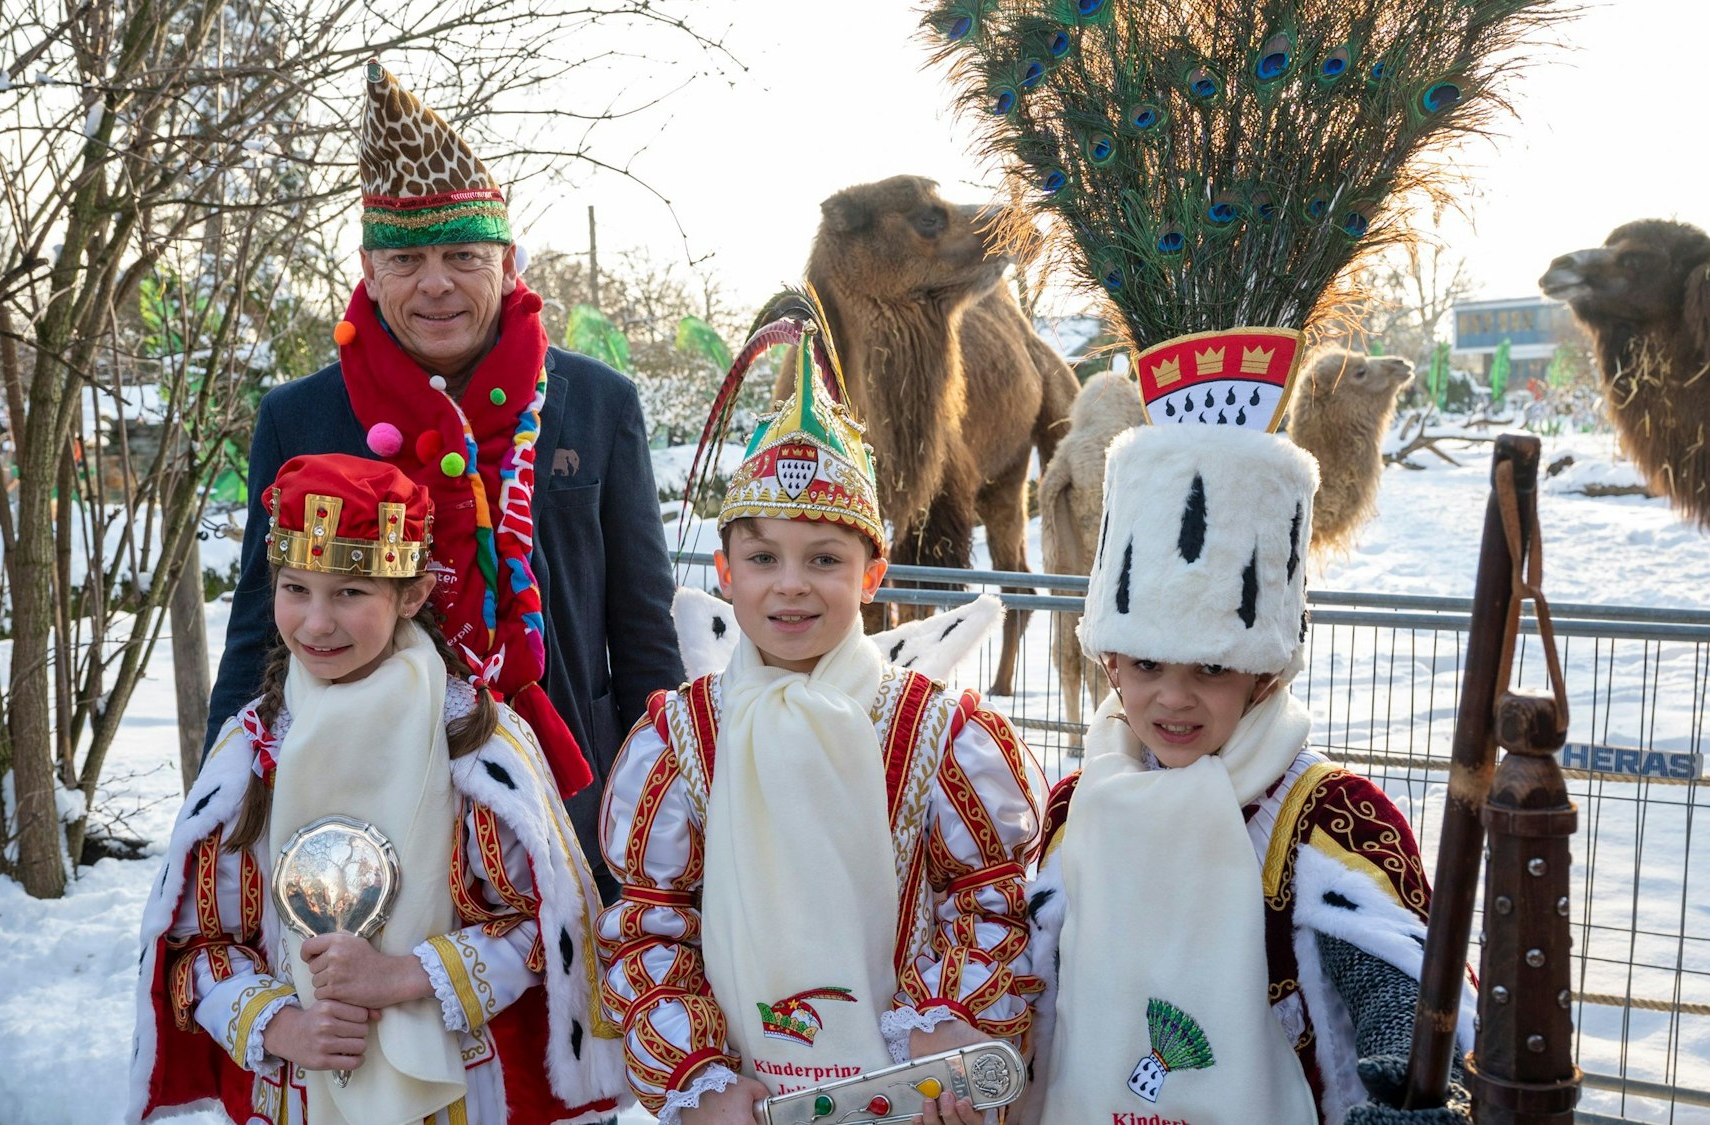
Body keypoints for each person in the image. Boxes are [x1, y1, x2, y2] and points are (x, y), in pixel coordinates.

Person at [204, 60, 683, 897]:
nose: (436, 282)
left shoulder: (596, 404)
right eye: (408, 257)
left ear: (504, 257)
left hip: (569, 795)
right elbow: (258, 631)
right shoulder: (301, 419)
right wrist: (214, 817)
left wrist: (669, 805)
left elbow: (641, 628)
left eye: (462, 253)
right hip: (364, 809)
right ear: (367, 267)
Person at [596, 298, 1046, 1125]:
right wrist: (696, 1078)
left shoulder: (936, 732)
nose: (791, 583)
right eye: (763, 556)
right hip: (745, 1101)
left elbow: (987, 902)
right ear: (726, 572)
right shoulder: (682, 738)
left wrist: (950, 1026)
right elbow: (652, 926)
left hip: (902, 1098)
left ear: (872, 577)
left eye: (825, 558)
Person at [131, 454, 626, 1125]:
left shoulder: (474, 746)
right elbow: (198, 948)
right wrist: (280, 1026)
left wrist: (402, 976)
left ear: (412, 594)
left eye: (350, 592)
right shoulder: (251, 756)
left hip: (460, 1095)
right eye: (295, 589)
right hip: (301, 1092)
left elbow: (544, 928)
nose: (315, 622)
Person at [1021, 412, 1472, 1125]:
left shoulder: (1330, 818)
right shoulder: (1078, 804)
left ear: (1263, 674)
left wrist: (1406, 1075)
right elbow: (1029, 984)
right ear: (1109, 658)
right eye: (1144, 664)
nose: (1173, 698)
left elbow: (1403, 988)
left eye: (1211, 667)